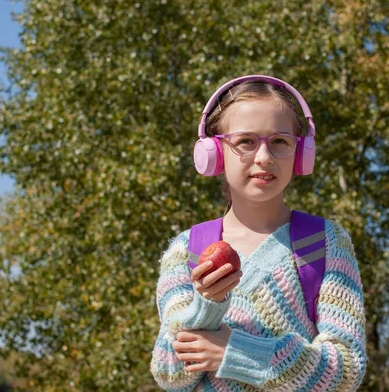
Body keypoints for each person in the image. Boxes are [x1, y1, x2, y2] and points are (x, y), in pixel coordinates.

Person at [150, 75, 367, 391]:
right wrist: (207, 305)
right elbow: (171, 375)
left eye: (280, 141)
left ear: (301, 153)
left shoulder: (325, 243)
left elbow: (346, 370)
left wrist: (236, 352)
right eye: (245, 141)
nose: (264, 157)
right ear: (214, 152)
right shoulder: (187, 251)